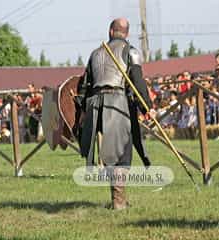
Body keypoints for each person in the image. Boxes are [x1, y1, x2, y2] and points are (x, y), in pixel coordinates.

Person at [76, 18, 153, 210]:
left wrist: (84, 111)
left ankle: (118, 199)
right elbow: (137, 80)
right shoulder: (131, 51)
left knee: (112, 151)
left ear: (111, 31)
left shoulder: (95, 54)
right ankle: (119, 202)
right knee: (122, 153)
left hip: (95, 107)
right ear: (126, 33)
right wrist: (147, 107)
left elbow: (85, 86)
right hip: (117, 103)